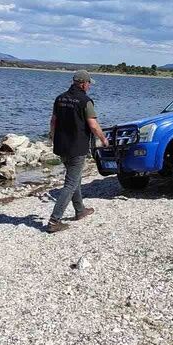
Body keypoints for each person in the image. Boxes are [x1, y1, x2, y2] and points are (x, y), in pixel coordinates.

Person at [47, 70, 108, 233]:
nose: (89, 86)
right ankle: (54, 220)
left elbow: (53, 121)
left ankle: (80, 210)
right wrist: (103, 140)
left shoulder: (59, 98)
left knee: (75, 178)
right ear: (83, 84)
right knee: (71, 183)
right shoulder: (85, 101)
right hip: (77, 147)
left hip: (61, 147)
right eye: (89, 83)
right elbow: (93, 126)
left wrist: (52, 138)